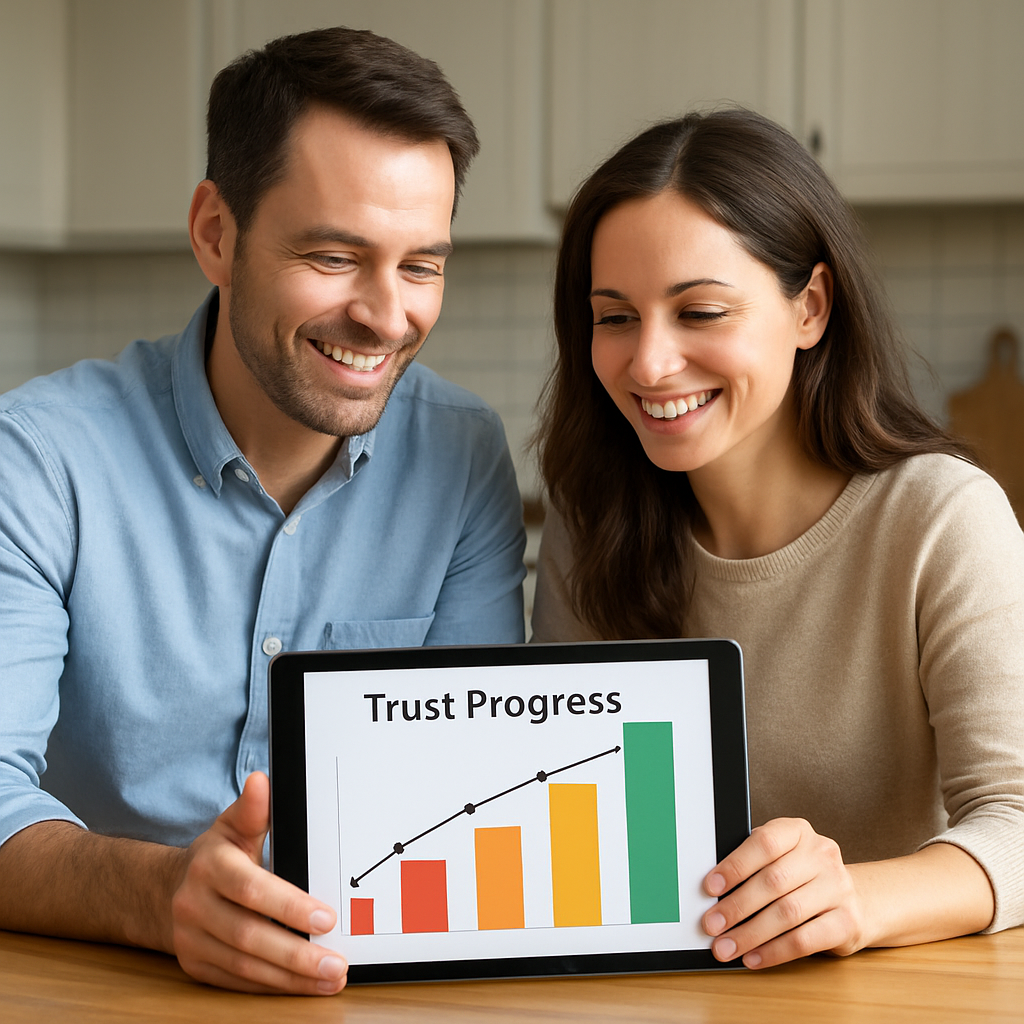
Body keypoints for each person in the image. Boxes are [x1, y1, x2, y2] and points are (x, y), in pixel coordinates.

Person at [0, 28, 526, 995]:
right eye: (334, 255)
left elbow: (478, 783)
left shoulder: (462, 455)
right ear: (215, 233)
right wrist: (156, 897)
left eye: (422, 266)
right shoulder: (38, 461)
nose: (385, 314)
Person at [531, 109, 1024, 970]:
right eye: (615, 318)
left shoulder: (943, 519)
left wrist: (857, 897)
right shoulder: (591, 522)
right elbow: (560, 810)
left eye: (701, 311)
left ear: (811, 308)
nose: (649, 364)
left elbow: (1018, 819)